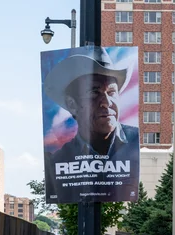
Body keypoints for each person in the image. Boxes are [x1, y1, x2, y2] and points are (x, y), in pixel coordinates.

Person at [42, 47, 139, 199]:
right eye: (94, 92)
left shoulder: (136, 142)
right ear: (72, 104)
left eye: (112, 92)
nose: (107, 102)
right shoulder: (59, 162)